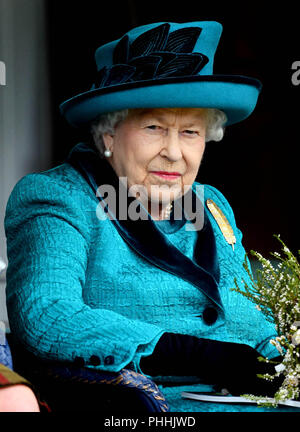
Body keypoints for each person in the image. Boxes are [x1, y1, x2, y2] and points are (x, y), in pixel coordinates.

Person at [4, 21, 298, 412]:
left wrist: (283, 359)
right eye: (154, 127)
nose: (174, 153)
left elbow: (253, 317)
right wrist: (193, 353)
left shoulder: (211, 204)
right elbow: (45, 315)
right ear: (109, 134)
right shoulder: (59, 196)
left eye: (190, 132)